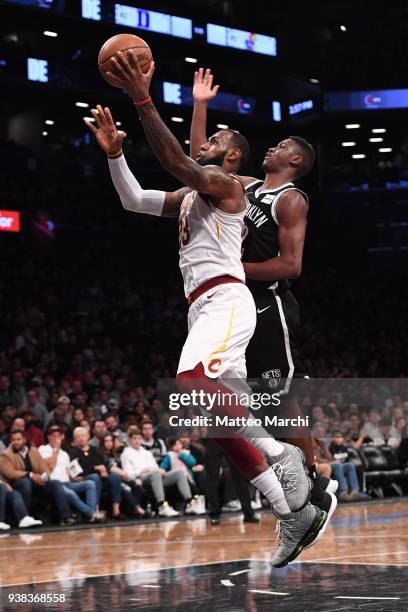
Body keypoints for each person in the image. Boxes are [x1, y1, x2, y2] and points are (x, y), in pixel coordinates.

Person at [84, 54, 327, 568]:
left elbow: (183, 161)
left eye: (217, 141)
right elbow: (132, 199)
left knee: (194, 381)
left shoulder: (229, 186)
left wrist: (143, 99)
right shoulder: (196, 194)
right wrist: (114, 156)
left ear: (231, 158)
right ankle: (291, 508)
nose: (206, 143)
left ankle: (285, 456)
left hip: (229, 299)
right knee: (214, 416)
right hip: (203, 307)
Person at [189, 67, 337, 529]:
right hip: (232, 303)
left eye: (283, 147)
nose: (272, 147)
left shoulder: (291, 200)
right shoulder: (246, 185)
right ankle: (277, 487)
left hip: (269, 304)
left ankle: (311, 480)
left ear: (297, 162)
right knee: (239, 398)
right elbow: (198, 163)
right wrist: (200, 105)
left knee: (283, 398)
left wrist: (237, 269)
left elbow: (291, 266)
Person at [0, 430, 75, 526]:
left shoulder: (34, 451)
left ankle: (65, 517)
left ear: (24, 440)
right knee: (25, 482)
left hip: (37, 484)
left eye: (18, 439)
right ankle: (25, 516)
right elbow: (10, 473)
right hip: (16, 484)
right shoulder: (6, 454)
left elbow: (45, 469)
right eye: (13, 440)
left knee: (55, 483)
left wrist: (43, 478)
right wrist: (31, 475)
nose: (15, 442)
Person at [39, 426, 100, 522]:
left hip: (68, 482)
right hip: (54, 484)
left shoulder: (64, 454)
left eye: (58, 436)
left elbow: (69, 473)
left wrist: (76, 479)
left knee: (90, 484)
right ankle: (92, 514)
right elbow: (50, 466)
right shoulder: (43, 449)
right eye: (54, 435)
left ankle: (92, 515)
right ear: (48, 437)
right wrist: (55, 450)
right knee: (70, 493)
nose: (56, 438)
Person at [121, 430, 187, 517]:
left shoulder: (147, 453)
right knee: (155, 473)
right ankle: (162, 506)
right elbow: (127, 474)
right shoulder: (126, 453)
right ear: (130, 440)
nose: (137, 441)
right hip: (140, 478)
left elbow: (155, 467)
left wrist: (160, 470)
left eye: (139, 438)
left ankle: (190, 502)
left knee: (179, 472)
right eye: (134, 438)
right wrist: (143, 470)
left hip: (155, 476)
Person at [70, 427, 122, 519]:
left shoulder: (96, 450)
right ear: (74, 439)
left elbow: (104, 464)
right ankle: (95, 509)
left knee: (114, 476)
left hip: (101, 477)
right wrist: (96, 468)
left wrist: (103, 469)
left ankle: (116, 510)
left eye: (83, 435)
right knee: (95, 477)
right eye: (78, 436)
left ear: (88, 437)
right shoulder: (72, 452)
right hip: (85, 479)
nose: (81, 438)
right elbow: (79, 471)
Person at [100, 433, 145, 518]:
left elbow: (122, 468)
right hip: (109, 480)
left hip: (121, 477)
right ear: (102, 443)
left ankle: (134, 511)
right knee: (125, 488)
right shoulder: (101, 454)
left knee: (137, 483)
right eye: (106, 441)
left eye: (110, 441)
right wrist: (123, 473)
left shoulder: (116, 454)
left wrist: (126, 476)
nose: (109, 443)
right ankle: (139, 509)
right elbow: (110, 467)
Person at [160, 437, 206, 515]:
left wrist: (182, 456)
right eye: (175, 445)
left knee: (195, 485)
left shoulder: (185, 453)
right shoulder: (169, 456)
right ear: (171, 447)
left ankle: (197, 503)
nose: (177, 446)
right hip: (176, 479)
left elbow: (193, 462)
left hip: (188, 477)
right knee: (187, 484)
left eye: (179, 444)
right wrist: (162, 470)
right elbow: (163, 466)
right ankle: (191, 503)